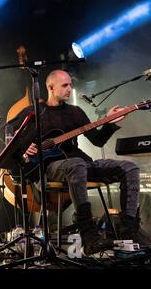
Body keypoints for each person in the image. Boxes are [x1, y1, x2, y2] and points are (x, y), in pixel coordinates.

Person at [13, 69, 144, 255]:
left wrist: (110, 123)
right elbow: (9, 135)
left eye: (70, 84)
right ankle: (88, 235)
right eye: (64, 85)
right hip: (50, 167)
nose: (69, 88)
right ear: (50, 87)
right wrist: (25, 149)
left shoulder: (75, 112)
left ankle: (129, 234)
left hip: (80, 164)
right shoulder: (34, 112)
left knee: (129, 167)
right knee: (76, 164)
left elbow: (97, 140)